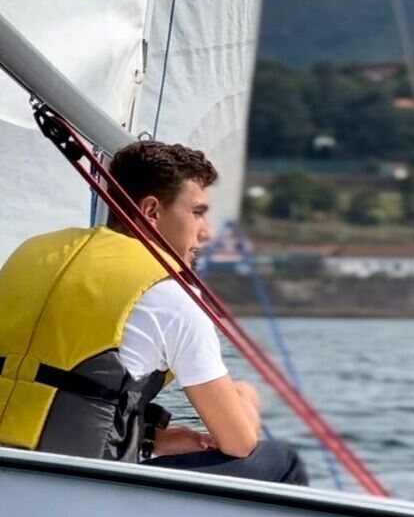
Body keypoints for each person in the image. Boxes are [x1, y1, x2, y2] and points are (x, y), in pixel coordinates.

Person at [0, 139, 307, 485]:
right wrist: (247, 399)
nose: (206, 233)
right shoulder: (169, 296)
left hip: (11, 473)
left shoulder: (30, 253)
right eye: (197, 213)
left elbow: (49, 388)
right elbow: (238, 442)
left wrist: (151, 438)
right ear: (151, 211)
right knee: (282, 461)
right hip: (78, 488)